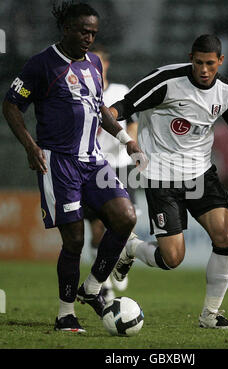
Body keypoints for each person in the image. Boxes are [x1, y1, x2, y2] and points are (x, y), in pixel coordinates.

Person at [109, 34, 228, 330]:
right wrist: (119, 132)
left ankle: (210, 315)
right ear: (191, 58)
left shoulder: (227, 93)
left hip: (200, 174)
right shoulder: (166, 81)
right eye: (198, 63)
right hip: (161, 175)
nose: (204, 69)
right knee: (172, 258)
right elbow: (124, 106)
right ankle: (130, 248)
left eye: (210, 63)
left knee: (225, 237)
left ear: (220, 61)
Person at [2, 1, 146, 333]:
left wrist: (127, 139)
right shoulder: (42, 65)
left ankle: (93, 288)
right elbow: (11, 105)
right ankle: (66, 313)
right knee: (75, 240)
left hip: (94, 160)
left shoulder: (95, 63)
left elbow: (101, 109)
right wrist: (30, 145)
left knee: (126, 216)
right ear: (66, 28)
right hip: (58, 162)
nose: (88, 37)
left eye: (93, 32)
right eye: (83, 31)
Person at [83, 45, 139, 302]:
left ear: (106, 66)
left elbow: (134, 118)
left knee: (127, 222)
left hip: (120, 166)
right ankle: (102, 282)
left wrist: (133, 145)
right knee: (97, 229)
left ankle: (119, 261)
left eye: (100, 63)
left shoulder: (120, 91)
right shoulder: (82, 92)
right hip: (95, 165)